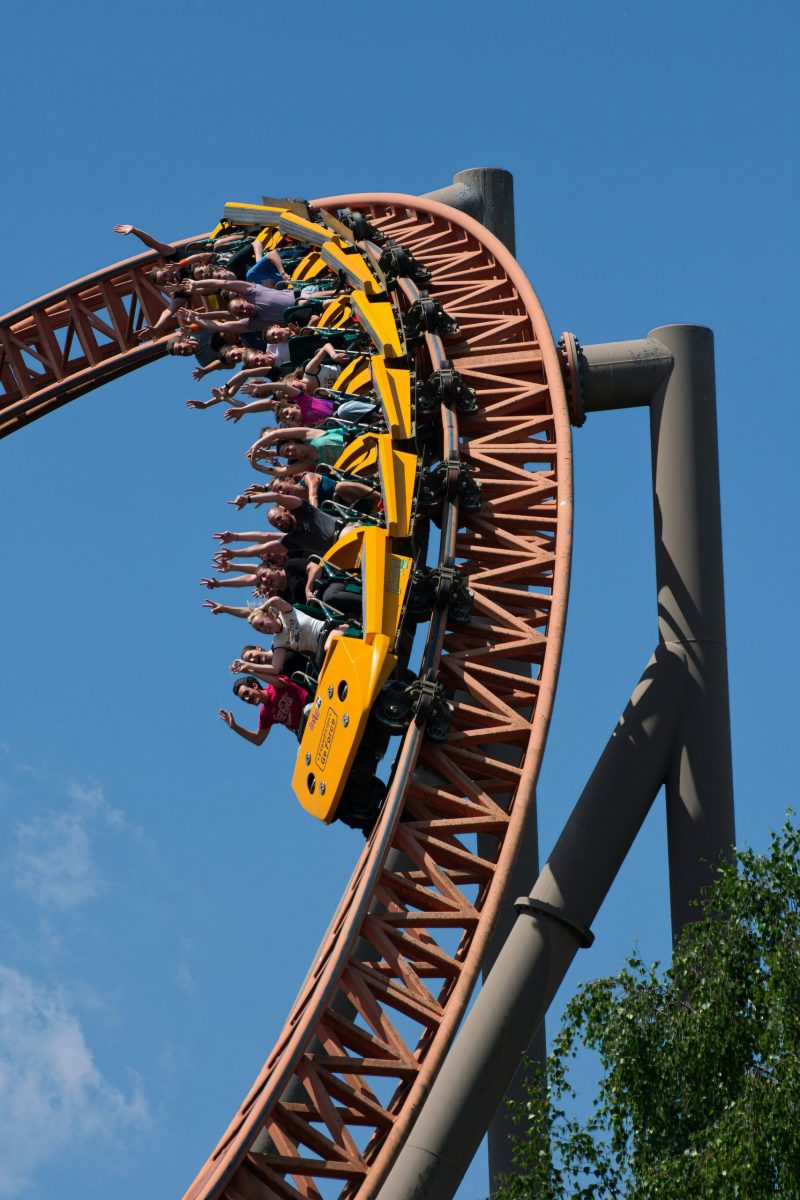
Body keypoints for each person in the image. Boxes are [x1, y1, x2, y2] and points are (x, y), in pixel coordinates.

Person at [220, 674, 309, 745]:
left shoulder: (274, 686)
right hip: (306, 729)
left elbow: (281, 683)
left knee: (307, 710)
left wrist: (250, 670)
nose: (247, 699)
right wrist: (234, 727)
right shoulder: (265, 714)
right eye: (243, 699)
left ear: (255, 686)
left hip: (313, 706)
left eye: (246, 693)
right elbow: (258, 739)